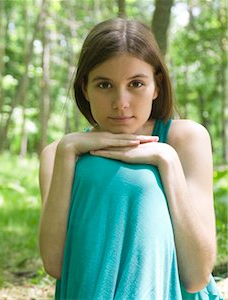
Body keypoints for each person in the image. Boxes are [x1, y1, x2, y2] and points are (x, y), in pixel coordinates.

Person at [38, 18, 223, 299]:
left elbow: (197, 276)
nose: (120, 102)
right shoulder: (58, 153)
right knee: (92, 172)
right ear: (84, 88)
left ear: (156, 86)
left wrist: (167, 161)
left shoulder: (185, 139)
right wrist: (68, 152)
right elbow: (55, 265)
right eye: (104, 85)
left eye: (136, 83)